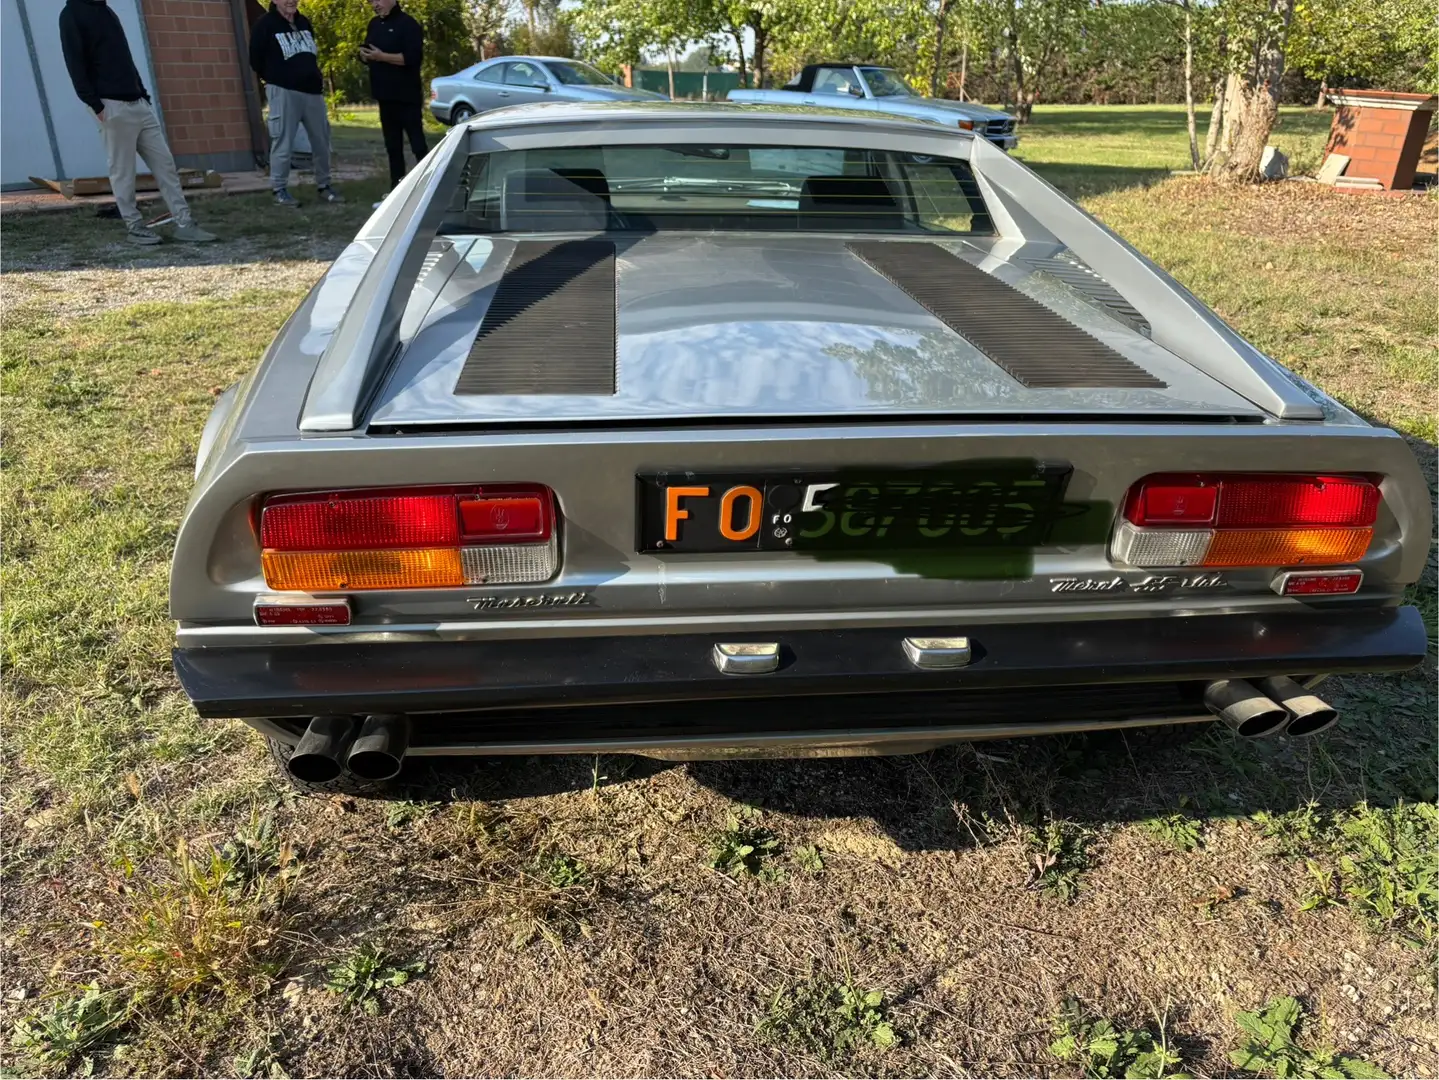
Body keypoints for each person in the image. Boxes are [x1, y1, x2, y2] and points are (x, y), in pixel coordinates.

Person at [58, 0, 217, 245]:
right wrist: (95, 105)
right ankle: (135, 228)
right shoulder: (71, 14)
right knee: (123, 172)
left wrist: (143, 94)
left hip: (139, 104)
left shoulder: (106, 11)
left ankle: (185, 223)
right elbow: (74, 64)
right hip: (111, 106)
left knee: (165, 164)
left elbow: (125, 58)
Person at [250, 0, 343, 207]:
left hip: (312, 92)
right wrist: (275, 78)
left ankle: (324, 185)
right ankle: (279, 189)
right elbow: (255, 59)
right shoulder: (264, 24)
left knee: (321, 141)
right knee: (282, 141)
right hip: (283, 91)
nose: (291, 1)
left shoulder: (304, 22)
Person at [361, 0, 428, 190]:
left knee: (417, 144)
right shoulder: (374, 24)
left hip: (406, 96)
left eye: (378, 0)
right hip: (384, 96)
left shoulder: (408, 24)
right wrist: (364, 55)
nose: (375, 5)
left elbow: (412, 58)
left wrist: (382, 57)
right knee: (392, 147)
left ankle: (429, 183)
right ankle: (396, 189)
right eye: (371, 2)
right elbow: (369, 51)